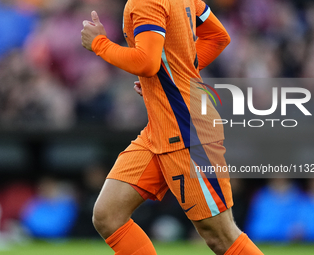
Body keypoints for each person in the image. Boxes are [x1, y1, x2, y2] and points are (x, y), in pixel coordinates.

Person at [81, 0, 263, 254]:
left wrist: (99, 43)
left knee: (220, 235)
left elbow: (146, 63)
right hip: (160, 129)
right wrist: (169, 77)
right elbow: (217, 36)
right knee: (108, 215)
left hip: (187, 130)